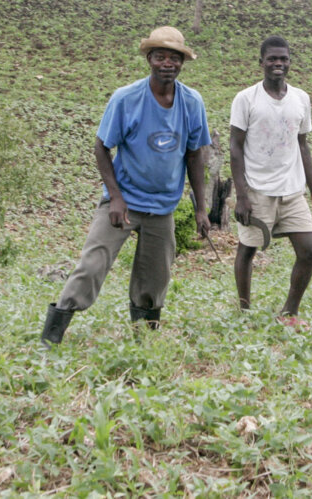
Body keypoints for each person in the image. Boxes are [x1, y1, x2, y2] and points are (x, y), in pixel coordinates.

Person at [39, 26, 211, 346]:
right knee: (92, 265)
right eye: (160, 56)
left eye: (174, 58)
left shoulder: (192, 102)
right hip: (124, 201)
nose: (167, 64)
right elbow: (101, 147)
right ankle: (50, 339)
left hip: (162, 206)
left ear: (182, 63)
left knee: (155, 281)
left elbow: (194, 154)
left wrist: (202, 208)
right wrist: (115, 197)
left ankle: (142, 344)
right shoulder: (126, 98)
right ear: (149, 59)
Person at [229, 35, 312, 325]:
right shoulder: (246, 98)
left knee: (309, 250)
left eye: (283, 59)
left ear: (290, 63)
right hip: (257, 189)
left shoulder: (301, 98)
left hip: (292, 191)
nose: (278, 64)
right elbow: (236, 148)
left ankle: (289, 312)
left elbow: (302, 144)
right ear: (261, 62)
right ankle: (244, 310)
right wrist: (242, 195)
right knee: (248, 249)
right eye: (272, 58)